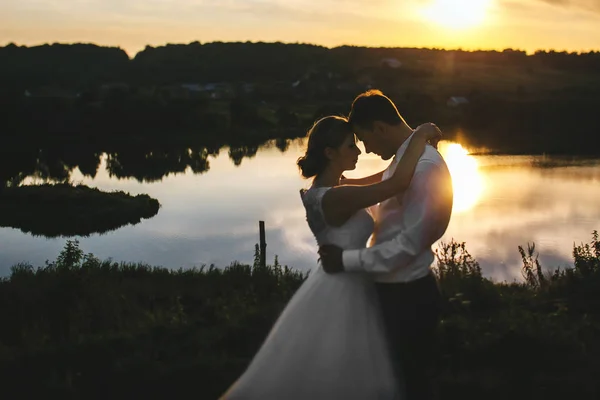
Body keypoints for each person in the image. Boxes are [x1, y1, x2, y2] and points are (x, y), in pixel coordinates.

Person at [220, 114, 441, 399]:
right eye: (351, 146)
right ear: (329, 152)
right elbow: (394, 185)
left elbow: (387, 176)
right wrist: (419, 135)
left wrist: (410, 148)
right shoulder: (335, 197)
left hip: (352, 282)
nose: (359, 150)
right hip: (342, 290)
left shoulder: (335, 189)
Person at [319, 90, 454, 400]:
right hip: (393, 292)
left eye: (364, 139)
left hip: (408, 298)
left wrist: (347, 260)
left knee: (410, 385)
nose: (365, 149)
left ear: (379, 128)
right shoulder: (406, 160)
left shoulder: (425, 168)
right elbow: (385, 188)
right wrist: (343, 189)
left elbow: (408, 245)